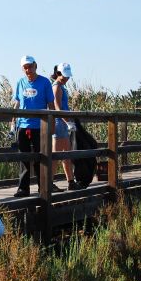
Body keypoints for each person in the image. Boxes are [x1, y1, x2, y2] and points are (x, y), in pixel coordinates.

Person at [10, 55, 55, 197]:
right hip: (23, 125)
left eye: (30, 66)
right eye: (25, 67)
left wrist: (52, 124)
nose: (28, 69)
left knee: (39, 158)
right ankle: (23, 189)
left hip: (39, 126)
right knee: (23, 158)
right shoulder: (20, 82)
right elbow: (17, 103)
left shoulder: (45, 82)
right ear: (22, 68)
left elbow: (51, 105)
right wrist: (12, 121)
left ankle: (43, 187)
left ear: (35, 65)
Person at [50, 63, 84, 191]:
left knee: (66, 154)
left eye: (67, 76)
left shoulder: (62, 87)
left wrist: (69, 121)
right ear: (57, 74)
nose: (66, 79)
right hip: (59, 123)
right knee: (55, 155)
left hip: (63, 123)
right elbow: (57, 107)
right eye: (63, 76)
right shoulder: (56, 87)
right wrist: (67, 122)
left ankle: (70, 181)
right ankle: (49, 183)